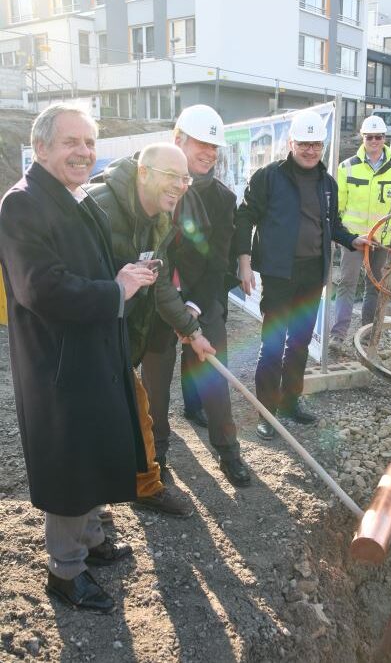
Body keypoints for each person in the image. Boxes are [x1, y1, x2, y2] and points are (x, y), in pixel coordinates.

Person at [0, 104, 156, 613]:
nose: (84, 152)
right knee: (68, 459)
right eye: (71, 142)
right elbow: (39, 288)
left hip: (91, 349)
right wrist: (115, 292)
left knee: (91, 445)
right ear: (40, 147)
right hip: (57, 363)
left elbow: (90, 264)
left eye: (89, 143)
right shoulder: (22, 205)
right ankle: (64, 572)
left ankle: (91, 541)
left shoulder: (76, 197)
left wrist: (127, 272)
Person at [86, 142, 215, 517]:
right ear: (144, 172)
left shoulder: (159, 217)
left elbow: (158, 283)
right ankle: (88, 510)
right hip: (86, 341)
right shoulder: (98, 208)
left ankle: (145, 487)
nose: (181, 186)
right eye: (171, 177)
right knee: (92, 421)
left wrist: (192, 331)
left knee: (138, 410)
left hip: (120, 340)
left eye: (185, 178)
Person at [235, 108, 367, 440]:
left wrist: (351, 239)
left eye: (316, 144)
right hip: (279, 276)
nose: (310, 150)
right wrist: (245, 262)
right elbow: (244, 218)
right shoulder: (268, 177)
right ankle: (267, 413)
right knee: (273, 344)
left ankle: (291, 401)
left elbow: (331, 225)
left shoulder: (328, 184)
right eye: (304, 143)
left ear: (322, 146)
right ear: (291, 142)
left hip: (312, 275)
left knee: (300, 343)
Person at [142, 105, 251, 488]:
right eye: (201, 143)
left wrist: (193, 308)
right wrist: (170, 305)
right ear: (178, 140)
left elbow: (217, 263)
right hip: (156, 297)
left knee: (213, 376)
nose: (209, 152)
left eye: (214, 147)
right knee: (154, 382)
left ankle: (227, 450)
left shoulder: (222, 198)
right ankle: (157, 452)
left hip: (201, 297)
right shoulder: (152, 186)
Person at [330, 115, 391, 353]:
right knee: (346, 283)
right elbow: (338, 208)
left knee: (375, 286)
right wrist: (339, 237)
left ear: (384, 138)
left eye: (378, 137)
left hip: (382, 241)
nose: (374, 141)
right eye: (369, 137)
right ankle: (338, 335)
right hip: (354, 239)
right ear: (362, 137)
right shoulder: (346, 168)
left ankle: (366, 334)